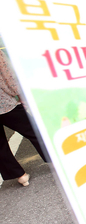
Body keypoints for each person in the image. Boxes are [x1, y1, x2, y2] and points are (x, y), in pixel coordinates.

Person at [0, 50, 48, 187]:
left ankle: (19, 175)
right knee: (33, 130)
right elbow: (7, 77)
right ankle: (54, 159)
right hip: (4, 104)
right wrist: (19, 94)